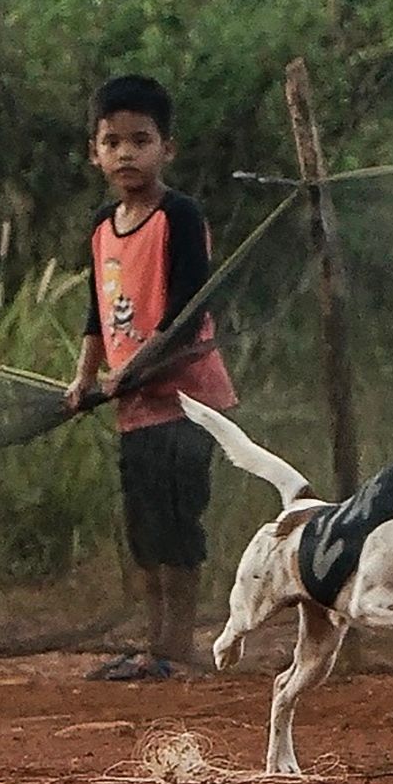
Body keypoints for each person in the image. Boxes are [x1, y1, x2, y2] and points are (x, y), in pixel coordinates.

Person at [66, 74, 237, 680]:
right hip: (132, 405)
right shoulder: (102, 226)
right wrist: (84, 377)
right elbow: (96, 310)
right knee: (144, 529)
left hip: (187, 403)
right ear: (94, 151)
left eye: (141, 140)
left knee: (178, 522)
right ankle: (153, 646)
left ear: (168, 148)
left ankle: (178, 647)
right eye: (112, 142)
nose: (126, 153)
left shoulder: (179, 216)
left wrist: (131, 371)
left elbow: (187, 317)